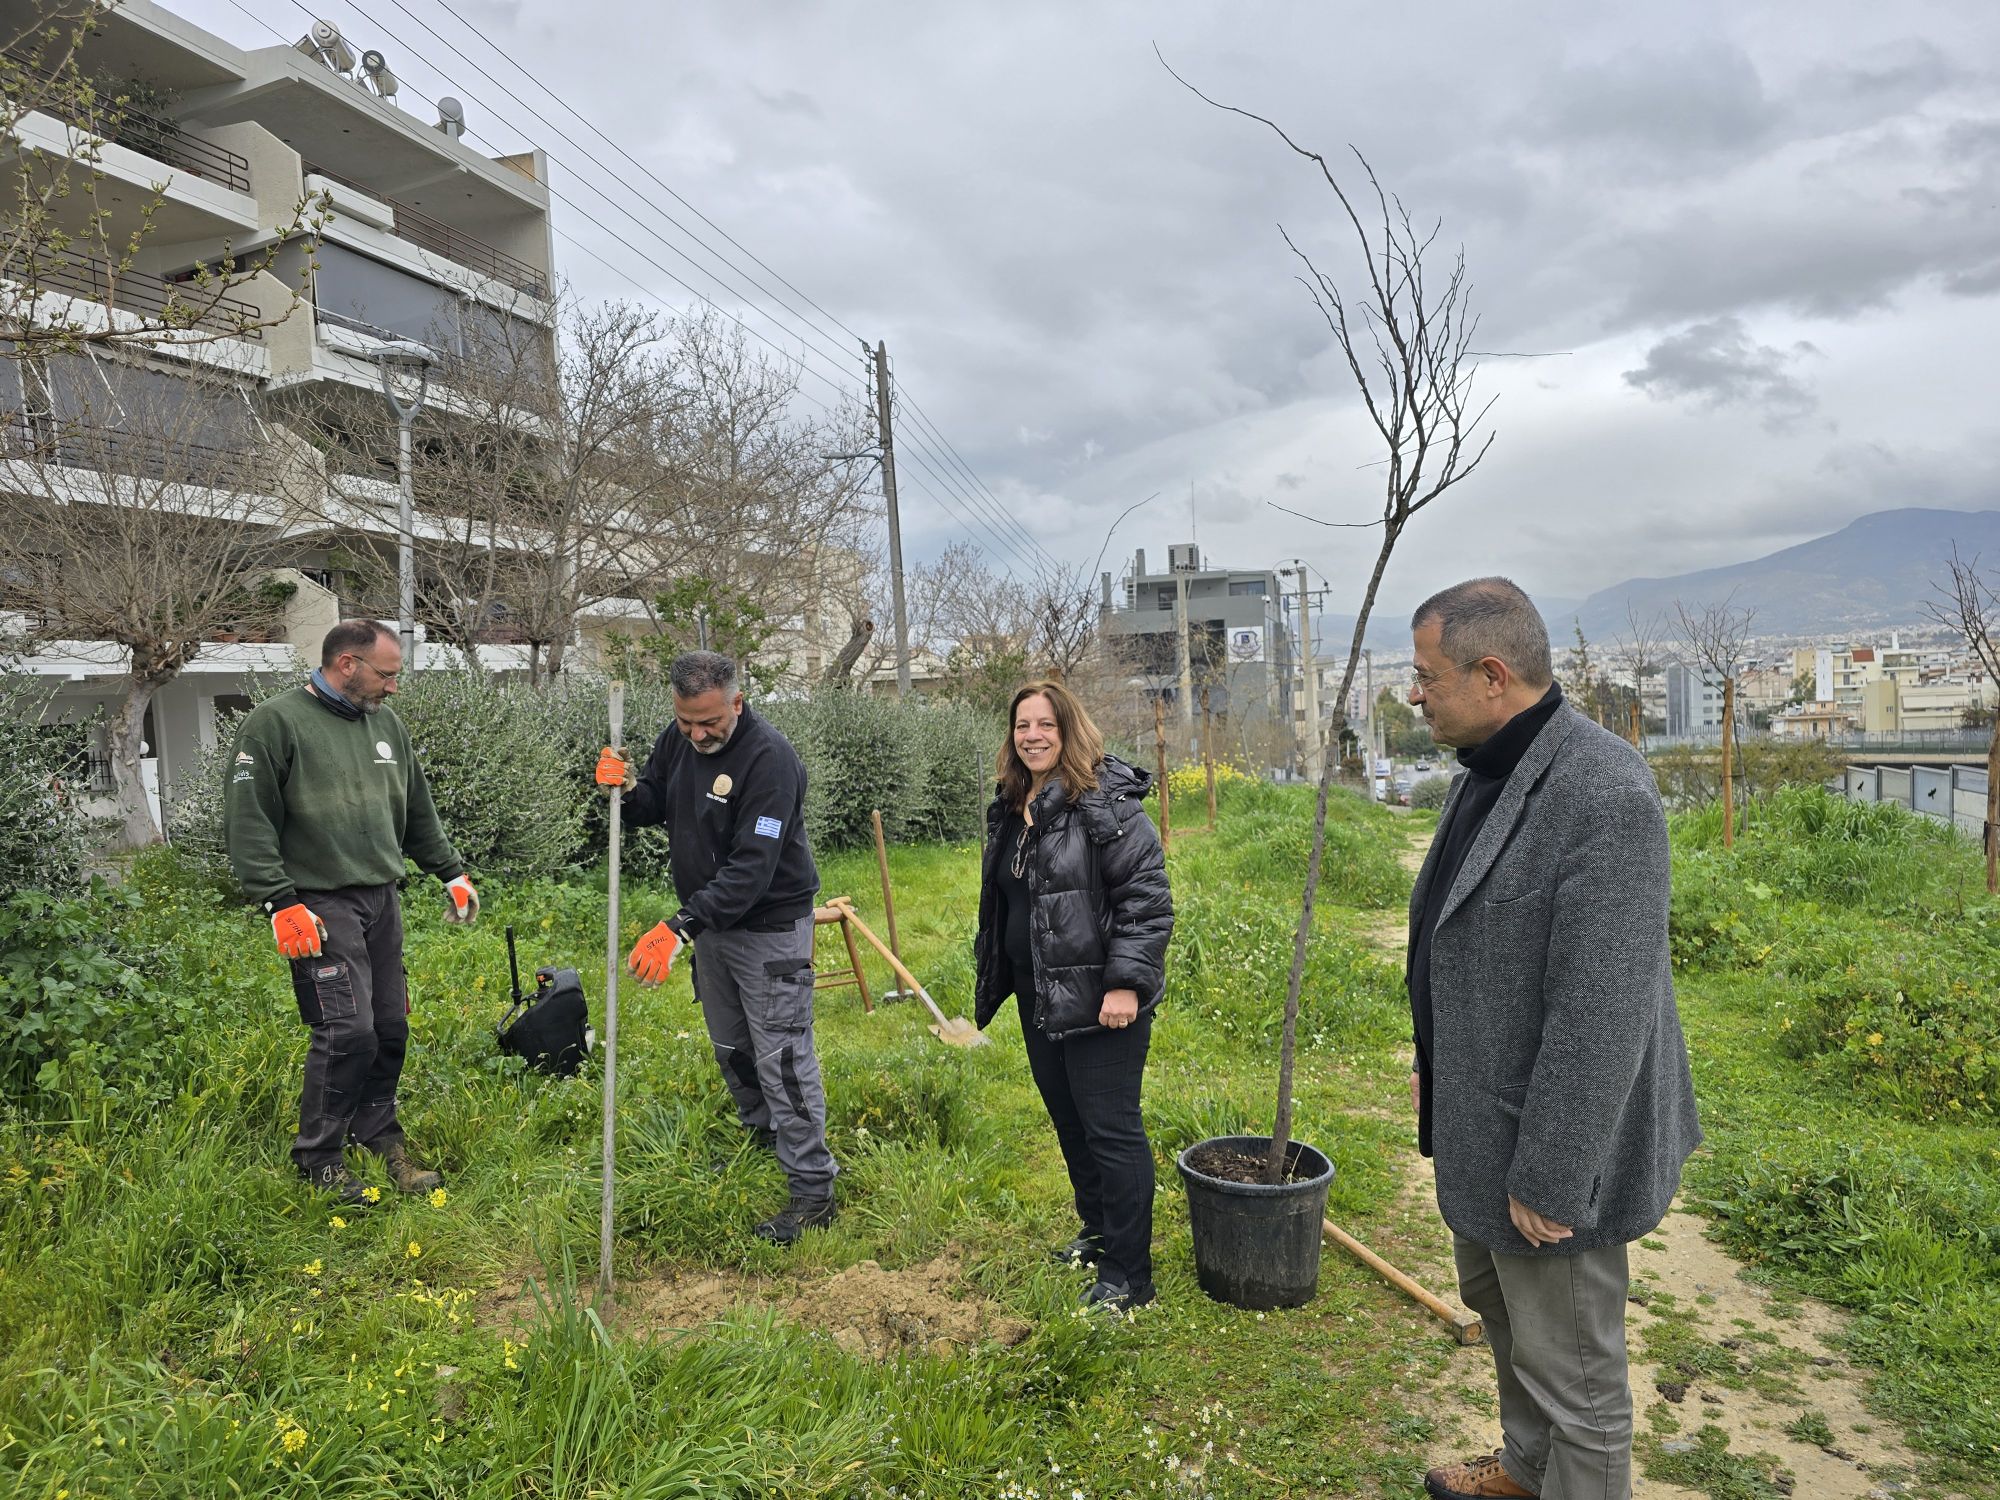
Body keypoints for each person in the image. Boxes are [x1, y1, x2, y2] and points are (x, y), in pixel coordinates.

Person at [1404, 579, 1701, 1500]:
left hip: (1548, 1148)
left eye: (1426, 676)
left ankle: (1563, 1471)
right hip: (1480, 1119)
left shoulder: (1603, 792)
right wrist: (1435, 1065)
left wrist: (1556, 1170)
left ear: (1491, 675)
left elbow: (1603, 1005)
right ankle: (1527, 1472)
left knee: (1578, 1378)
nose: (1414, 694)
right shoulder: (1488, 769)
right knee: (1503, 1317)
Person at [225, 619, 477, 1207]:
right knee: (347, 1030)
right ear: (346, 665)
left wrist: (451, 871)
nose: (393, 687)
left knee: (390, 1025)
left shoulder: (385, 724)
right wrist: (279, 901)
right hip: (316, 903)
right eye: (386, 674)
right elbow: (247, 821)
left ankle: (379, 1134)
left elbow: (417, 808)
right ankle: (319, 1158)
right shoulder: (275, 724)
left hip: (380, 897)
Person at [595, 651, 838, 1245]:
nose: (698, 734)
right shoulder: (679, 740)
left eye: (709, 722)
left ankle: (813, 1189)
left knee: (782, 1056)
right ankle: (765, 1138)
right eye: (686, 722)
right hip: (715, 929)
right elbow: (656, 799)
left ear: (737, 700)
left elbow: (752, 870)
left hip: (770, 929)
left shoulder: (770, 761)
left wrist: (679, 925)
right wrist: (625, 789)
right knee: (732, 1045)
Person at [972, 682, 1174, 1311]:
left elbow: (1146, 899)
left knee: (1111, 1129)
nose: (1031, 735)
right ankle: (1099, 1231)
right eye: (1021, 725)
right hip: (1041, 994)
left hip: (1098, 997)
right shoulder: (1011, 805)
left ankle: (1129, 1275)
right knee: (1070, 1122)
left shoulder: (1103, 800)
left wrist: (1124, 983)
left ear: (1069, 731)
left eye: (1045, 725)